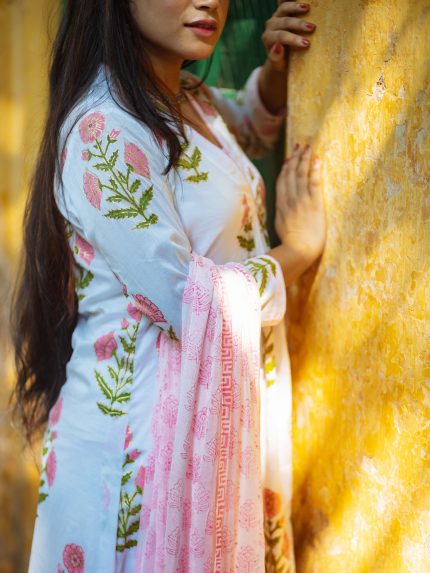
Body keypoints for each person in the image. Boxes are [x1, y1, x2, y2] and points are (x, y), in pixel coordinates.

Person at [10, 1, 325, 571]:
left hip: (207, 425)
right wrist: (297, 252)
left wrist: (278, 74)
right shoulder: (104, 131)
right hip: (137, 458)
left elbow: (244, 129)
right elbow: (184, 300)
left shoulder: (185, 96)